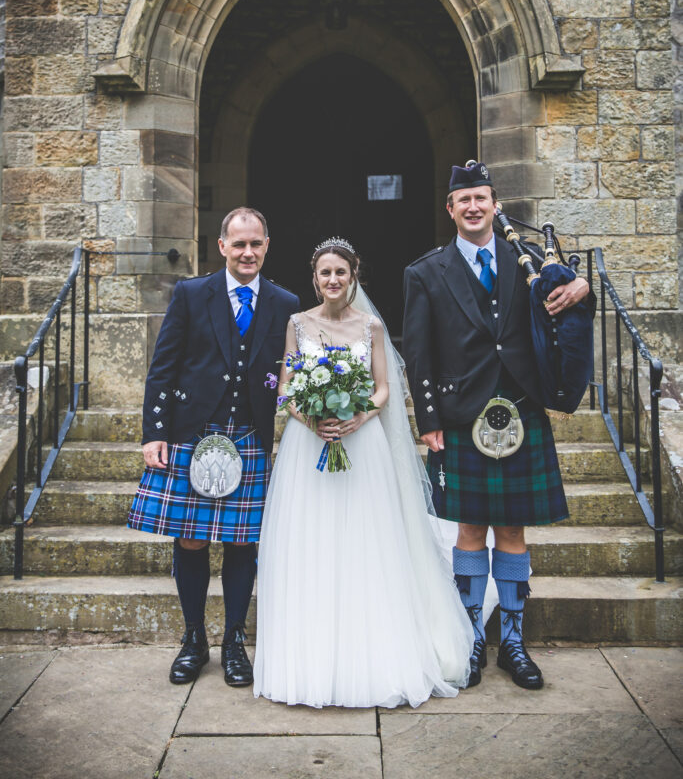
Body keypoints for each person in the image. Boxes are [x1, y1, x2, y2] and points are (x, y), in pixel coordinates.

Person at [253, 238, 473, 709]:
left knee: (365, 542)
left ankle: (370, 654)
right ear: (315, 279)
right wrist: (311, 419)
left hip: (362, 445)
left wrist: (358, 415)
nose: (333, 281)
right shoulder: (297, 324)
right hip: (306, 448)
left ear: (354, 277)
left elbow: (384, 389)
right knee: (311, 543)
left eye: (341, 273)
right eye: (325, 273)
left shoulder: (371, 326)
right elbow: (287, 389)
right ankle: (312, 659)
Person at [402, 162, 591, 691]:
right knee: (468, 530)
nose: (473, 207)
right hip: (461, 414)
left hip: (521, 406)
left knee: (512, 530)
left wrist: (582, 291)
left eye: (481, 198)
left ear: (494, 204)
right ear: (450, 209)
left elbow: (569, 300)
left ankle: (512, 640)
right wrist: (429, 419)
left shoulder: (525, 259)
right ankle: (469, 641)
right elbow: (418, 354)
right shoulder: (426, 272)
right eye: (463, 200)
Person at [128, 208, 299, 686]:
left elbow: (291, 374)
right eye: (239, 244)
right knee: (191, 539)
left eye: (256, 244)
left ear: (267, 245)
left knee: (243, 542)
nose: (248, 252)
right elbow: (163, 366)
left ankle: (234, 643)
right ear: (222, 246)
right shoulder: (191, 293)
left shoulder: (286, 302)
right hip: (191, 433)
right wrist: (154, 432)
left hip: (249, 437)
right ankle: (193, 639)